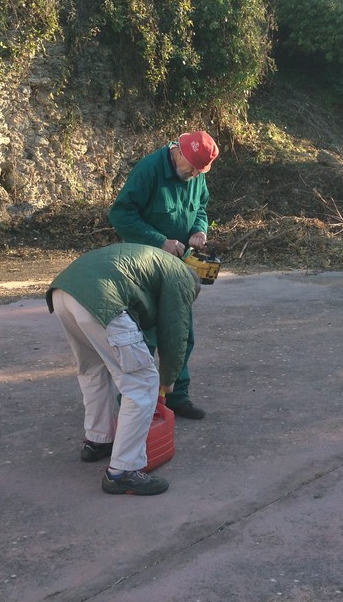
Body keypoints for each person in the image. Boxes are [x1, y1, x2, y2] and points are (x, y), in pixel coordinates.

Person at [46, 243, 201, 496]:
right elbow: (175, 333)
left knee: (93, 370)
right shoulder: (182, 278)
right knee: (142, 382)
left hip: (64, 291)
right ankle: (123, 471)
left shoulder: (158, 264)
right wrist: (168, 380)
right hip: (101, 297)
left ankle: (98, 440)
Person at [108, 131, 219, 420]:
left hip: (178, 269)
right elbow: (121, 214)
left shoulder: (196, 174)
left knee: (180, 334)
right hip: (143, 267)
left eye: (201, 170)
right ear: (178, 151)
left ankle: (176, 397)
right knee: (145, 337)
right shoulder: (149, 170)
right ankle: (133, 405)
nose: (195, 174)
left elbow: (201, 207)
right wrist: (160, 241)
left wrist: (199, 230)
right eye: (192, 168)